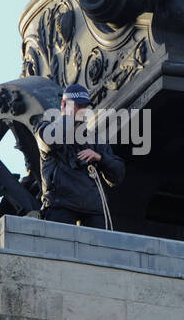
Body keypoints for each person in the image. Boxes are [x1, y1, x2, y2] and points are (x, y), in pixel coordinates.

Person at [37, 84, 126, 229]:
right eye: (78, 106)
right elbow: (51, 140)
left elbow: (118, 174)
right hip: (61, 205)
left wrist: (100, 158)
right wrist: (68, 116)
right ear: (64, 105)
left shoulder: (94, 139)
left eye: (85, 106)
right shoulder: (45, 129)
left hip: (94, 209)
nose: (82, 111)